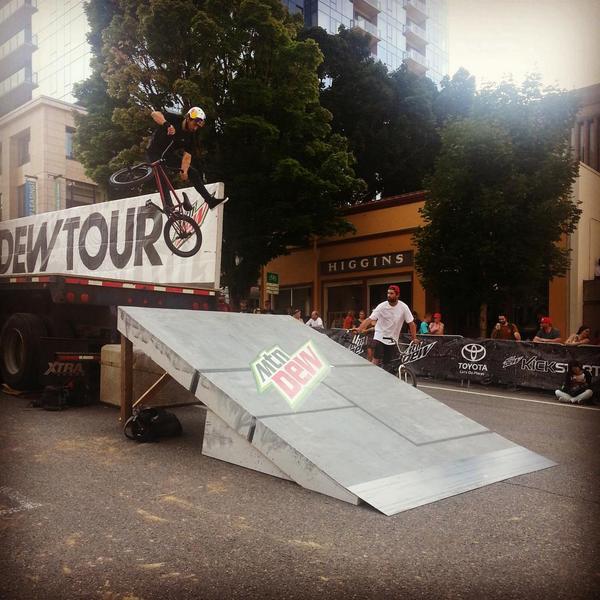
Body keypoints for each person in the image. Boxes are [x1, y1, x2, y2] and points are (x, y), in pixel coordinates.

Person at [147, 106, 226, 210]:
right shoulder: (176, 119)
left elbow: (187, 156)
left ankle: (210, 201)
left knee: (193, 173)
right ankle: (169, 206)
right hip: (153, 152)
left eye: (198, 127)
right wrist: (167, 125)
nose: (195, 128)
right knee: (163, 174)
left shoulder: (191, 136)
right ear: (188, 118)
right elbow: (154, 114)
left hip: (167, 156)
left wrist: (184, 171)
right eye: (194, 124)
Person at [352, 285, 418, 368]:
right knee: (377, 358)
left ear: (397, 295)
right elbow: (369, 319)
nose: (389, 295)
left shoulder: (403, 307)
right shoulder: (382, 306)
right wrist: (359, 329)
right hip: (380, 336)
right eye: (388, 293)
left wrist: (414, 338)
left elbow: (411, 323)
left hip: (392, 339)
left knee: (387, 363)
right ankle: (370, 377)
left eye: (391, 293)